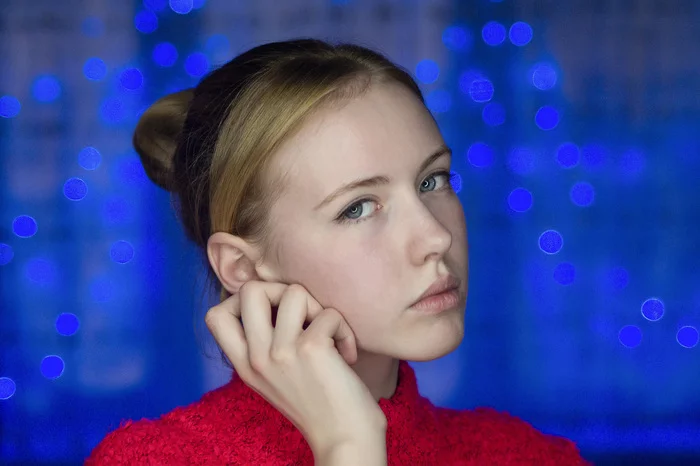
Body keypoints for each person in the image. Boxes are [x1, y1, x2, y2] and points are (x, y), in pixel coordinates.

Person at [85, 38, 590, 465]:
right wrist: (349, 445)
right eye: (358, 208)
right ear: (242, 267)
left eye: (433, 180)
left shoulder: (526, 454)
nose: (436, 238)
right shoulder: (155, 458)